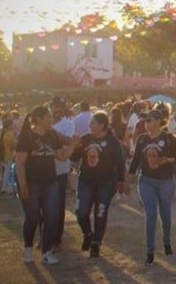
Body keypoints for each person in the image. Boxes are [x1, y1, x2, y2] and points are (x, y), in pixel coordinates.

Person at [15, 104, 79, 266]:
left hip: (50, 182)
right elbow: (20, 164)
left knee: (52, 216)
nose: (51, 119)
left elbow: (61, 157)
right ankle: (28, 249)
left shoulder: (52, 135)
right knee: (32, 218)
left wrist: (72, 145)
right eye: (48, 116)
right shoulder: (26, 136)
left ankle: (46, 251)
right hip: (31, 182)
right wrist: (23, 185)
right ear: (38, 119)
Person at [127, 109, 176, 266]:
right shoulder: (142, 139)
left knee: (165, 214)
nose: (146, 123)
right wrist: (128, 179)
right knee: (150, 214)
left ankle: (166, 242)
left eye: (150, 120)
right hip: (146, 180)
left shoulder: (168, 138)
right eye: (146, 120)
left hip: (165, 180)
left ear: (158, 121)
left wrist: (167, 160)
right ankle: (150, 251)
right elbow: (136, 160)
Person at [70, 111, 126, 258]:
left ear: (102, 125)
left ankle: (96, 242)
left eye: (93, 123)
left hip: (106, 182)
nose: (90, 125)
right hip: (86, 181)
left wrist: (121, 181)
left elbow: (120, 162)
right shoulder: (85, 139)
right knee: (81, 212)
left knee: (100, 212)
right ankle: (88, 233)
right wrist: (74, 145)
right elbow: (73, 157)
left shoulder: (112, 141)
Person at [49, 98, 74, 252]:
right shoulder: (44, 122)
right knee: (43, 206)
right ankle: (46, 236)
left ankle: (56, 238)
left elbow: (69, 142)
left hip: (61, 169)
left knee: (58, 205)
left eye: (59, 107)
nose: (56, 110)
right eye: (54, 107)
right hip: (43, 169)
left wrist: (50, 131)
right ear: (50, 107)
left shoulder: (68, 124)